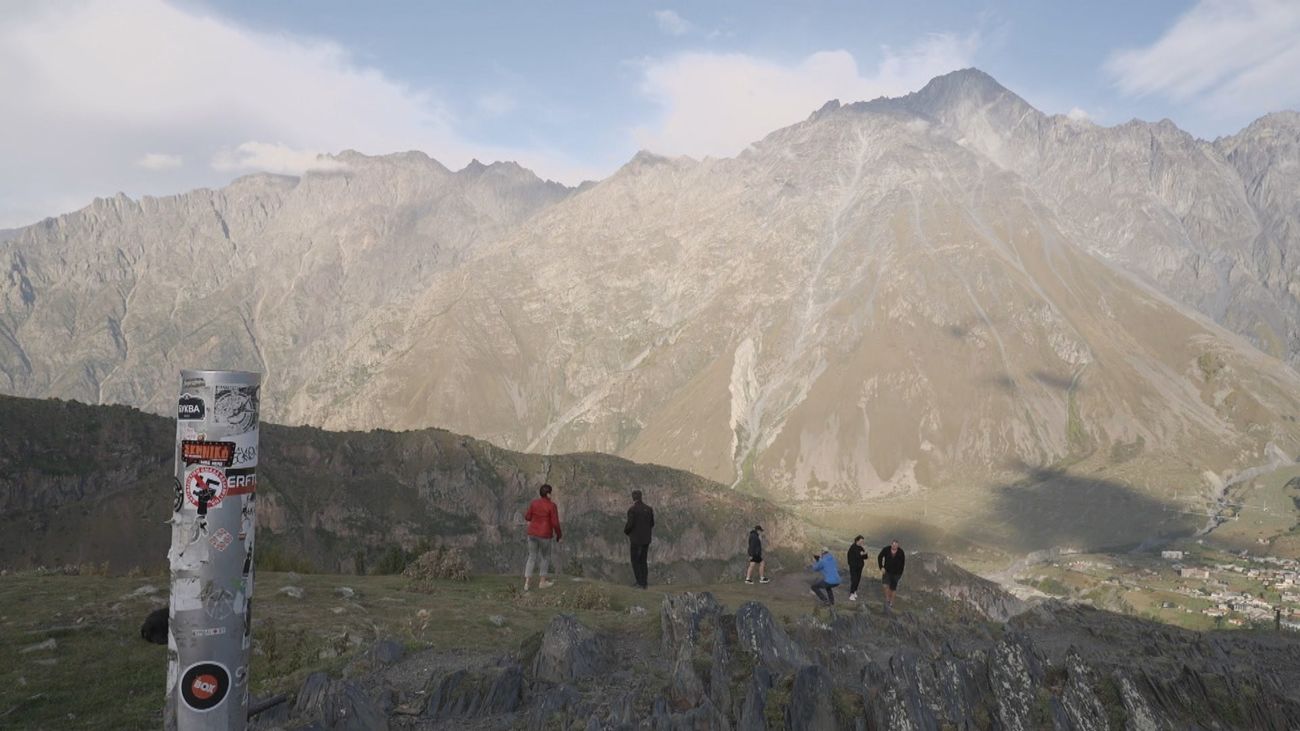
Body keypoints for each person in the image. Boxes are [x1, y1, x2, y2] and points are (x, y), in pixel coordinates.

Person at [523, 484, 562, 591]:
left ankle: (527, 583)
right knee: (545, 557)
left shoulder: (534, 503)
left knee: (531, 557)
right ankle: (542, 582)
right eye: (551, 492)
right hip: (545, 535)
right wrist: (559, 535)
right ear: (548, 494)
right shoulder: (552, 506)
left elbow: (527, 517)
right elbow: (555, 523)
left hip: (532, 534)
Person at [624, 489, 655, 589]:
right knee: (643, 561)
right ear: (641, 497)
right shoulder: (649, 509)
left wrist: (627, 532)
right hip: (646, 539)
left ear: (633, 498)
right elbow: (652, 524)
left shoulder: (632, 510)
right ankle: (644, 583)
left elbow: (629, 525)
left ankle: (639, 582)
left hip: (636, 540)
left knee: (635, 561)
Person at [878, 539, 906, 610]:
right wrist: (881, 567)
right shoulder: (886, 549)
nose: (894, 546)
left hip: (896, 573)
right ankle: (887, 599)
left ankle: (891, 602)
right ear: (891, 544)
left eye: (896, 545)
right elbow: (880, 557)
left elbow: (903, 564)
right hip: (886, 571)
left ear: (898, 546)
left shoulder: (901, 552)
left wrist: (900, 574)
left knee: (892, 588)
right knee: (884, 585)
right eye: (893, 545)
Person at [847, 535, 867, 601]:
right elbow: (857, 555)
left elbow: (865, 557)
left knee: (858, 579)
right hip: (853, 566)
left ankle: (855, 591)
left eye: (863, 541)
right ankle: (851, 594)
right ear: (857, 540)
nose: (862, 542)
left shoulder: (861, 547)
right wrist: (861, 554)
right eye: (861, 541)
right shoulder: (853, 547)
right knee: (854, 579)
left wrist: (865, 553)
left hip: (859, 566)